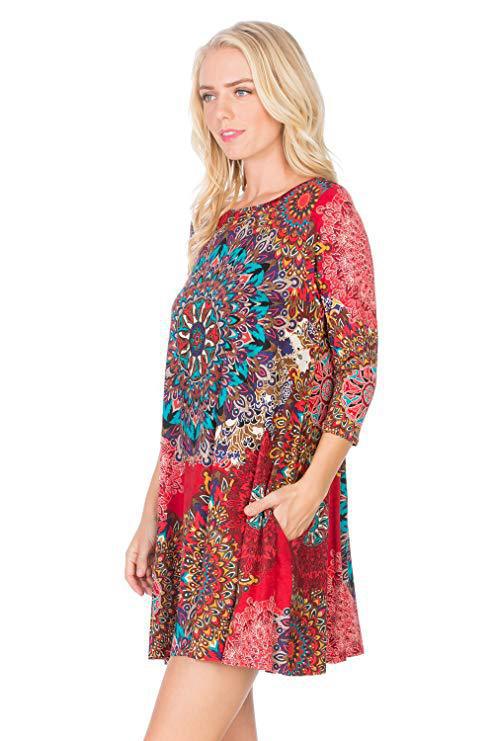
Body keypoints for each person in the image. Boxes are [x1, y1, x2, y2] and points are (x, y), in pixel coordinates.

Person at [125, 20, 379, 741]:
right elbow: (192, 393)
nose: (223, 112)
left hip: (264, 506)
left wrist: (311, 488)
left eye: (242, 90)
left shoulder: (326, 211)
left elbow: (358, 366)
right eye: (209, 96)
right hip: (194, 509)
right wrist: (151, 512)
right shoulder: (217, 223)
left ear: (283, 92)